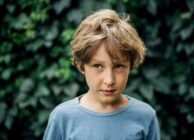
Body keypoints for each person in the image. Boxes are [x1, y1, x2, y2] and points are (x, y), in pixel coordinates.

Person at [43, 9, 160, 140]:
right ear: (81, 65)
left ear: (131, 66)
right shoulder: (62, 118)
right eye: (98, 66)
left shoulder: (145, 116)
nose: (109, 80)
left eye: (118, 66)